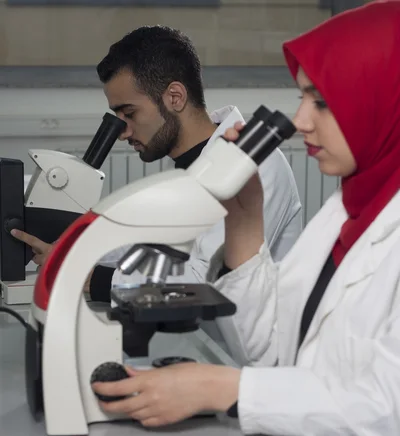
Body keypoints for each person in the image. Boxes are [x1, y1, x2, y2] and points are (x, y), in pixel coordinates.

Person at [92, 2, 400, 436]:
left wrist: (224, 389)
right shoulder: (344, 212)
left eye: (320, 101)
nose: (301, 120)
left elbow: (385, 417)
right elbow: (274, 357)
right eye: (302, 98)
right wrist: (244, 223)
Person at [11, 26, 302, 302]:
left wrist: (86, 277)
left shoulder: (253, 162)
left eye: (130, 113)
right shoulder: (194, 166)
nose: (123, 131)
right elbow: (150, 252)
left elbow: (208, 282)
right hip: (201, 337)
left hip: (247, 351)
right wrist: (74, 250)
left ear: (174, 97)